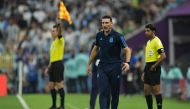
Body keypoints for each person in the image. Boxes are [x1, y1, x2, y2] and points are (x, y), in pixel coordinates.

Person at [86, 15, 131, 109]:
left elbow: (127, 50)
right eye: (103, 23)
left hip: (115, 67)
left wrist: (127, 62)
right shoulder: (99, 35)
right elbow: (95, 49)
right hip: (102, 67)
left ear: (111, 24)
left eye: (106, 23)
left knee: (114, 93)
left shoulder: (118, 36)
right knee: (103, 91)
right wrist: (88, 63)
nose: (104, 25)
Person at [141, 24, 166, 109]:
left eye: (148, 31)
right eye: (145, 31)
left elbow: (163, 56)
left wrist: (154, 65)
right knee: (146, 90)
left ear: (153, 31)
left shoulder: (157, 41)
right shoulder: (148, 42)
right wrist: (144, 71)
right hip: (148, 67)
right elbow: (148, 60)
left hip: (155, 67)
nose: (146, 32)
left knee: (156, 90)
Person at [45, 23, 65, 109]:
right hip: (53, 65)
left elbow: (60, 34)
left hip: (58, 64)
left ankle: (62, 106)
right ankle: (54, 105)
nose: (51, 32)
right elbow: (52, 57)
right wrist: (48, 67)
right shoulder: (53, 43)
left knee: (59, 85)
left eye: (53, 31)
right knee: (51, 85)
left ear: (57, 32)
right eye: (51, 31)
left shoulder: (60, 40)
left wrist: (59, 26)